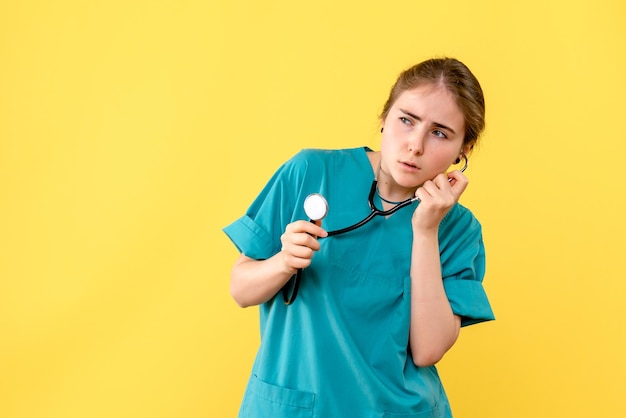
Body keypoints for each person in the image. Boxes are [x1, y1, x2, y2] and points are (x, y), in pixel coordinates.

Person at [223, 57, 495, 417]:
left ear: (465, 149)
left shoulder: (459, 230)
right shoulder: (310, 172)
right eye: (406, 121)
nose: (415, 145)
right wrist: (283, 262)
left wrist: (426, 230)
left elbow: (428, 350)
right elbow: (241, 290)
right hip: (295, 406)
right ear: (384, 118)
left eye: (440, 133)